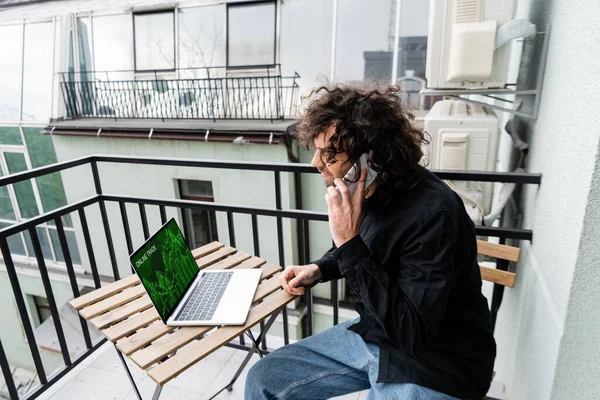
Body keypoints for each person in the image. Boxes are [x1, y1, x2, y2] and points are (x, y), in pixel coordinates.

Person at [245, 84, 496, 400]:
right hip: (376, 335)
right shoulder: (371, 191)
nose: (315, 164)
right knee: (263, 379)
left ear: (369, 159)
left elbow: (411, 332)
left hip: (436, 364)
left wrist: (348, 240)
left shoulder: (434, 215)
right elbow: (365, 248)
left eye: (329, 154)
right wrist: (320, 268)